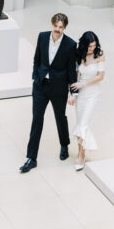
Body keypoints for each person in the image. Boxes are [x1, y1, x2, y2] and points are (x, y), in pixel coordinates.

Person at [20, 13, 76, 173]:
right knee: (36, 119)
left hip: (58, 88)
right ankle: (31, 158)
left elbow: (72, 71)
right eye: (55, 26)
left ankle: (64, 144)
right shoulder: (42, 37)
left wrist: (72, 92)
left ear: (64, 28)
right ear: (52, 25)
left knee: (60, 117)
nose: (58, 30)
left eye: (61, 27)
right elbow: (36, 59)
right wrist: (34, 76)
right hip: (40, 85)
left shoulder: (70, 45)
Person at [68, 31, 105, 171]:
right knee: (80, 123)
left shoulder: (100, 54)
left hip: (93, 93)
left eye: (94, 45)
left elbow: (101, 76)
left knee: (83, 124)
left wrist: (83, 84)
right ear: (84, 45)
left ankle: (81, 155)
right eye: (90, 46)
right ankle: (80, 151)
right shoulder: (79, 55)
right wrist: (72, 94)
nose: (92, 49)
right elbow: (75, 76)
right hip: (81, 95)